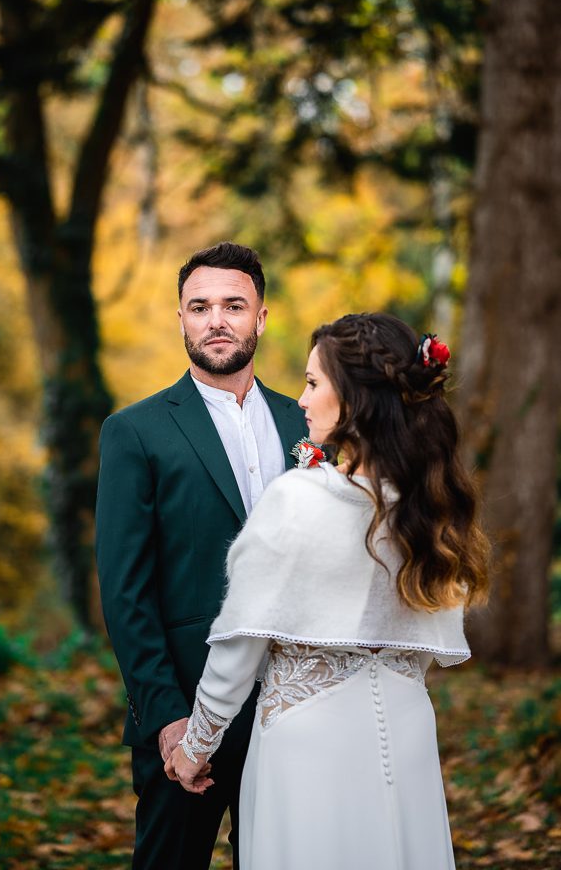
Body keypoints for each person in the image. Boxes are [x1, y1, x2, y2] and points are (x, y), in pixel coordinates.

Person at [166, 312, 490, 870]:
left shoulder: (297, 499)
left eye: (314, 383)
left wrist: (197, 746)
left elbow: (239, 648)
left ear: (357, 401)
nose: (302, 399)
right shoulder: (432, 510)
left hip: (307, 742)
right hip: (408, 730)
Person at [95, 242, 308, 870]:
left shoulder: (308, 425)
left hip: (295, 707)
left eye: (233, 305)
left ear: (262, 318)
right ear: (181, 319)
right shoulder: (136, 432)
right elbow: (125, 590)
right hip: (189, 711)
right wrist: (166, 714)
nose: (216, 320)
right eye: (200, 307)